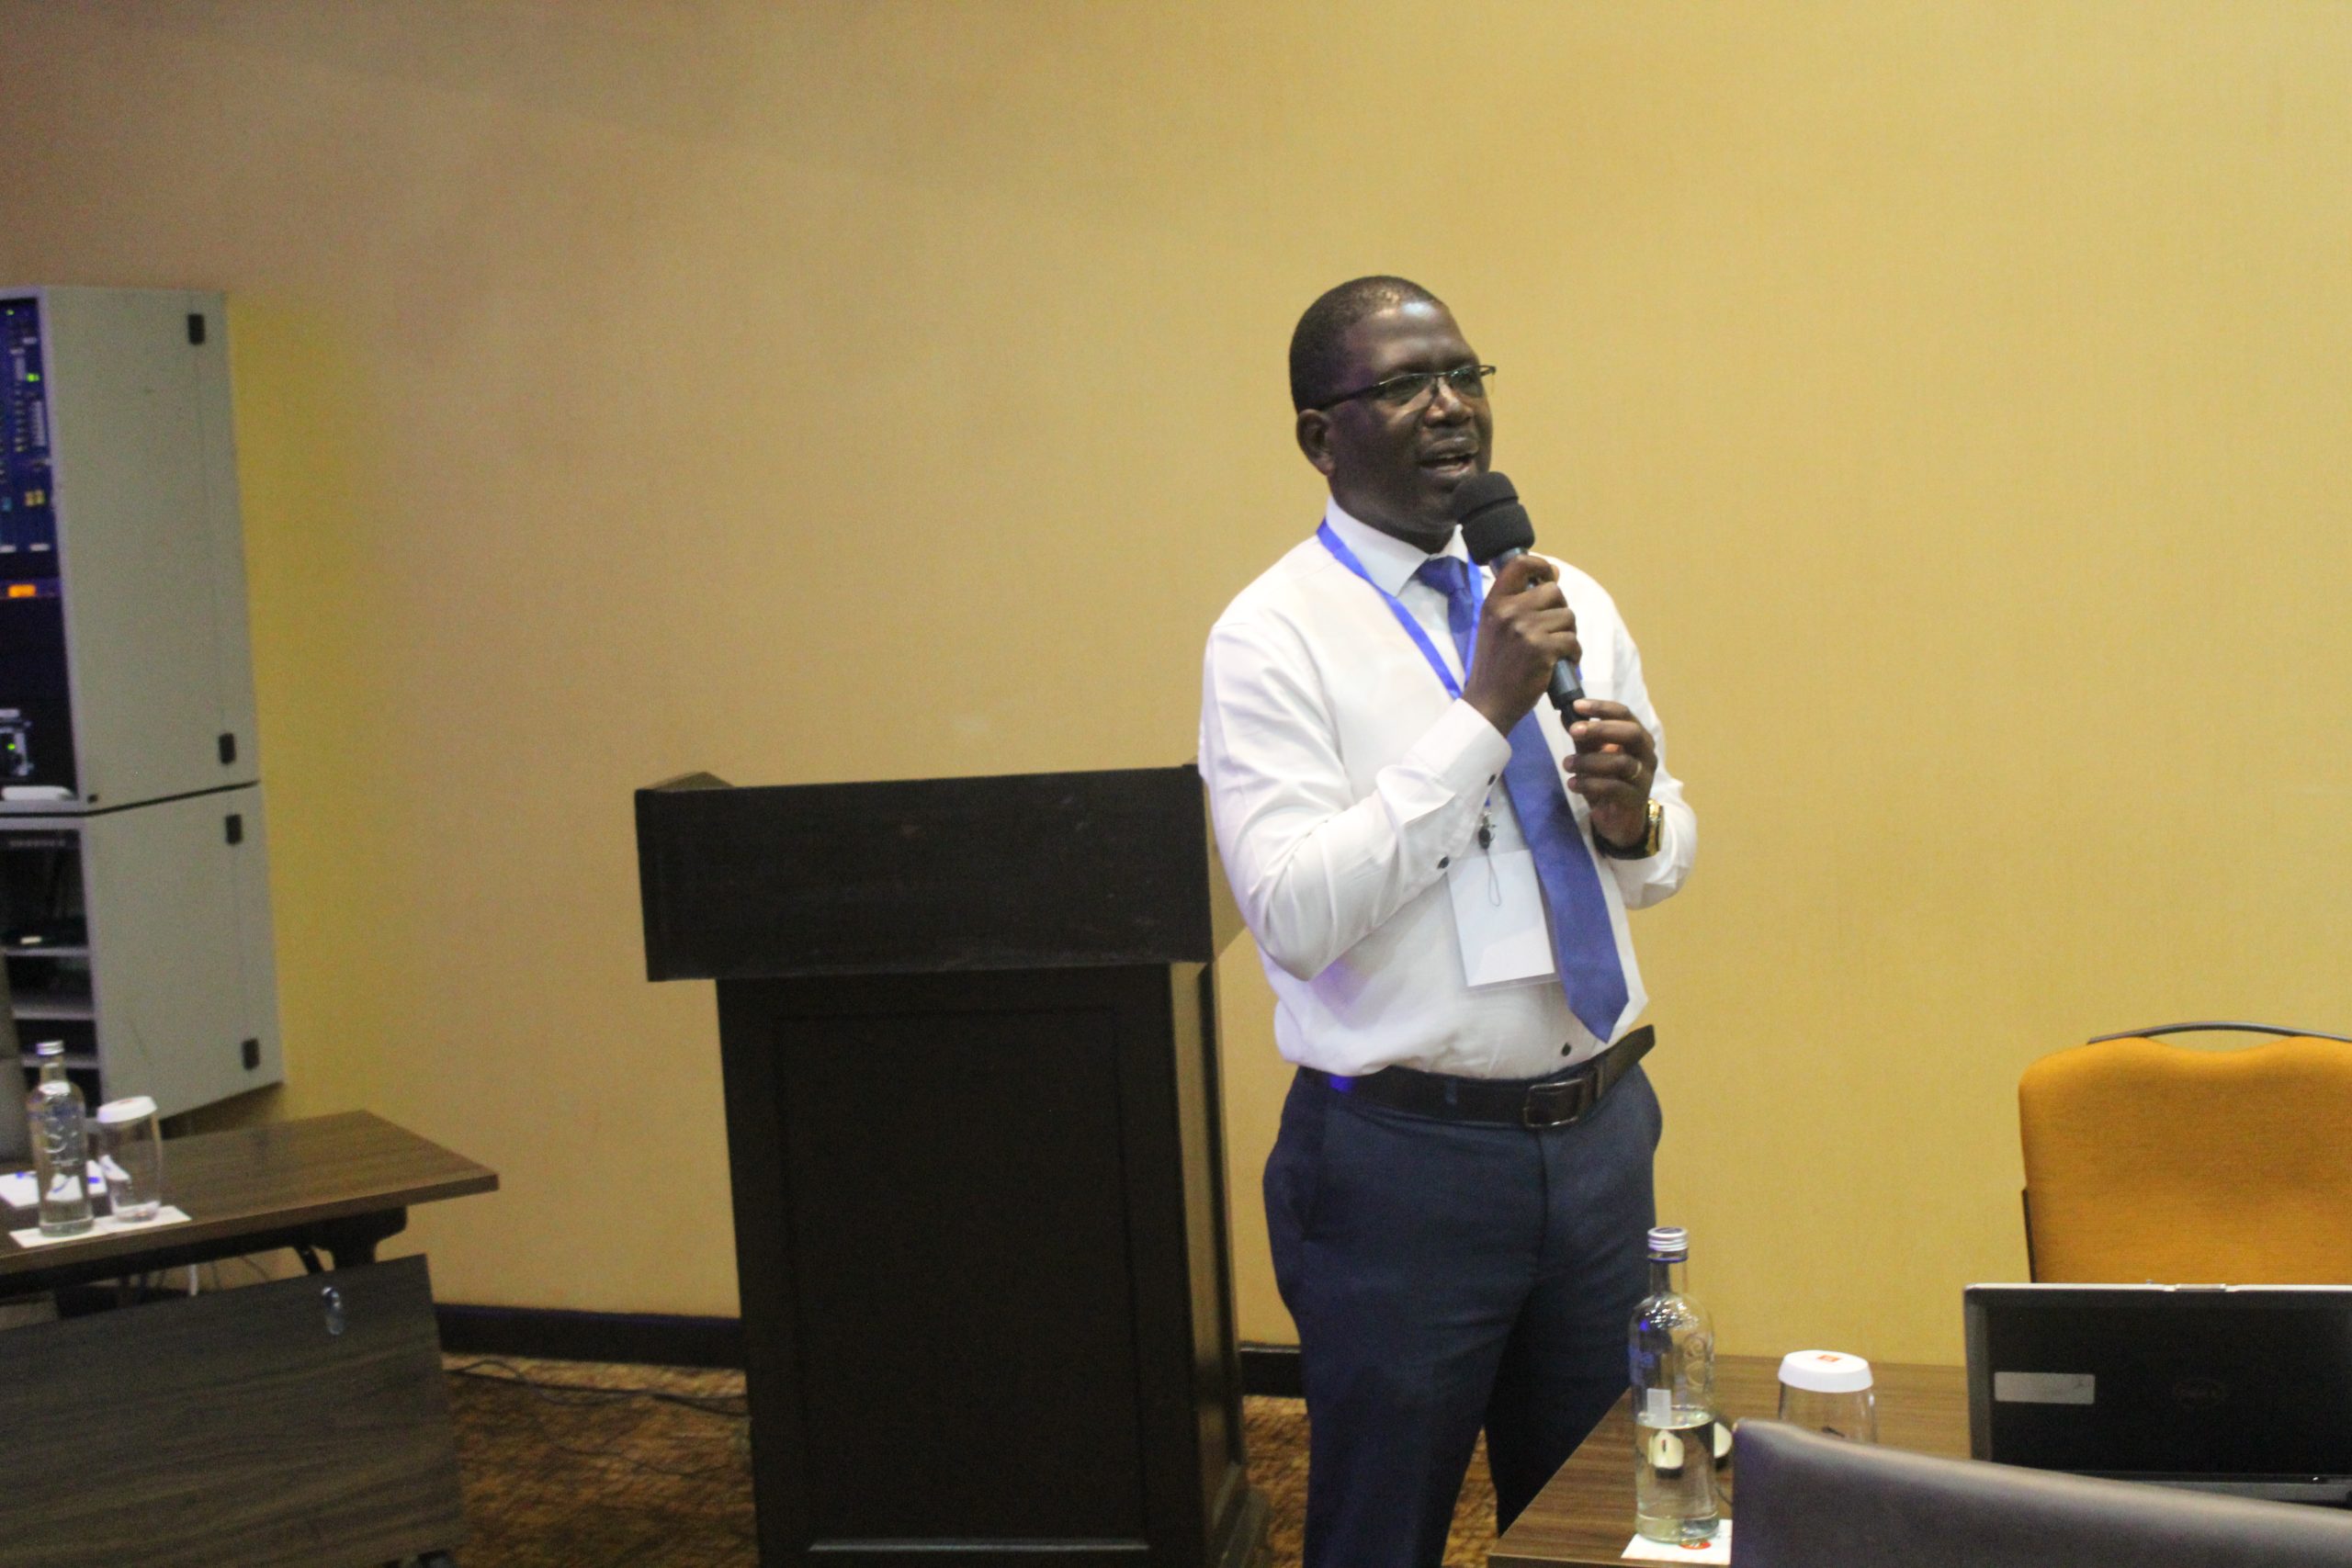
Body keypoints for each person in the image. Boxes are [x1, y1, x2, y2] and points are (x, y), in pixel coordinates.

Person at [1199, 276, 1697, 1568]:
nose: (1449, 407)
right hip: (1402, 1166)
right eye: (1405, 385)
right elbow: (1294, 913)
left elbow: (1658, 862)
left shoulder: (1563, 595)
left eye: (1466, 376)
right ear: (1321, 435)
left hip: (1599, 1140)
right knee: (1382, 1530)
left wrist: (1636, 820)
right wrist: (1480, 718)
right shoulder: (1270, 638)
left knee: (1596, 1523)